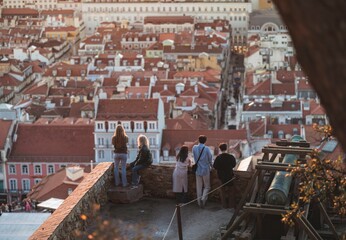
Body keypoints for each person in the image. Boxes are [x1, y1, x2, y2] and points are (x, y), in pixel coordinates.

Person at [213, 143, 237, 209]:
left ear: (220, 149)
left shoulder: (218, 158)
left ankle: (224, 206)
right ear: (226, 148)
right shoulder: (231, 157)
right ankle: (231, 205)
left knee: (222, 192)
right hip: (230, 176)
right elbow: (234, 165)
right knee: (231, 192)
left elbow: (215, 166)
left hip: (221, 177)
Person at [192, 135, 213, 208]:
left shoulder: (194, 148)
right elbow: (210, 159)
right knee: (207, 186)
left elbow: (194, 156)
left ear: (198, 140)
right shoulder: (207, 149)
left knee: (199, 187)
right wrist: (212, 166)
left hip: (198, 169)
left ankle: (198, 202)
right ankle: (203, 199)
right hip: (205, 169)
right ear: (205, 141)